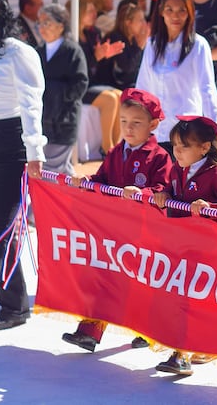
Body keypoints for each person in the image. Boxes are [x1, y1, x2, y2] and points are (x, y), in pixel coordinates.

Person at [61, 89, 172, 352]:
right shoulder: (116, 152)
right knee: (104, 276)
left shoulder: (160, 157)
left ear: (153, 125)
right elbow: (102, 179)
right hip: (114, 231)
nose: (128, 128)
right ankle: (90, 331)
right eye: (123, 121)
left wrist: (145, 194)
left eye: (136, 123)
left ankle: (149, 331)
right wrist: (86, 183)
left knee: (142, 283)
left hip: (144, 233)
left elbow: (164, 190)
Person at [153, 115, 217, 375]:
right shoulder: (178, 168)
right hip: (181, 244)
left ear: (204, 148)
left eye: (183, 146)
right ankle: (182, 349)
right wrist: (163, 194)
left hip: (209, 248)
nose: (177, 152)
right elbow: (168, 188)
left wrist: (211, 207)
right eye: (174, 146)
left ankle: (195, 348)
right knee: (181, 297)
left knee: (200, 299)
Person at [0, 0, 45, 331]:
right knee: (0, 228)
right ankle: (14, 304)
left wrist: (35, 151)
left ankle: (13, 305)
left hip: (11, 142)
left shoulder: (17, 52)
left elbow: (31, 104)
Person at [135, 0, 217, 155]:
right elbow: (142, 90)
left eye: (182, 10)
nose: (175, 15)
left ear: (190, 12)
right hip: (157, 133)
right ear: (161, 11)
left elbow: (208, 89)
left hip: (187, 135)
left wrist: (215, 130)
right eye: (169, 9)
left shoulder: (198, 45)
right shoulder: (152, 45)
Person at [36, 4, 88, 175]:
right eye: (40, 23)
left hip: (64, 119)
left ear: (61, 25)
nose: (41, 27)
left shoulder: (73, 51)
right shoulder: (38, 52)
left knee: (51, 168)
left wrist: (52, 92)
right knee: (61, 169)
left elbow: (80, 84)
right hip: (43, 119)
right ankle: (74, 199)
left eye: (47, 23)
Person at [71, 0, 124, 156]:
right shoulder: (72, 37)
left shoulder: (91, 33)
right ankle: (107, 146)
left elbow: (94, 67)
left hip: (90, 83)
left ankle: (116, 146)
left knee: (119, 95)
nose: (95, 14)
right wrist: (96, 57)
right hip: (76, 87)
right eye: (90, 11)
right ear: (79, 13)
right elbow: (76, 68)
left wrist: (104, 56)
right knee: (110, 99)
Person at [92, 2, 148, 90]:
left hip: (125, 86)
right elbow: (127, 69)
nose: (144, 24)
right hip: (109, 86)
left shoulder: (133, 39)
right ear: (128, 22)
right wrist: (139, 47)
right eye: (140, 20)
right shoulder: (115, 38)